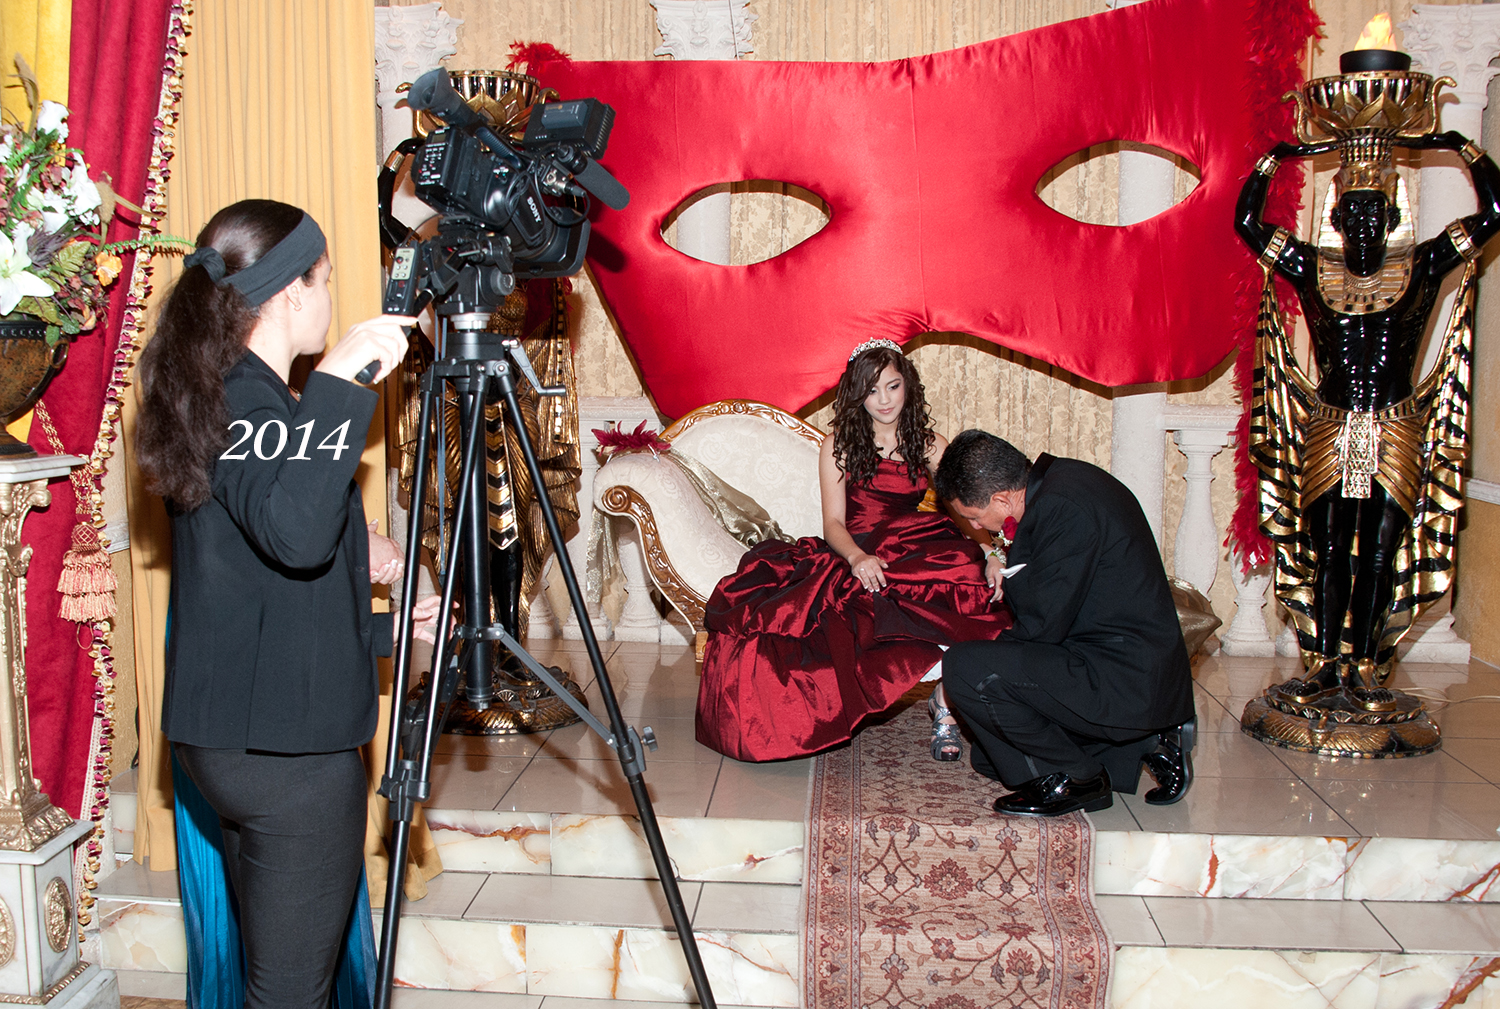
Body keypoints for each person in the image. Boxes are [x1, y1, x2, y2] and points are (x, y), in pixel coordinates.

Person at [135, 199, 441, 1006]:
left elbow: (259, 578)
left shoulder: (226, 392)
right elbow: (296, 537)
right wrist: (340, 384)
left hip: (236, 736)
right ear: (289, 293)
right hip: (287, 762)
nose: (331, 296)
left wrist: (382, 618)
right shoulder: (257, 402)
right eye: (325, 278)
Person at [1235, 130, 1500, 703]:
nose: (1362, 222)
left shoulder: (1423, 264)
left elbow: (1495, 212)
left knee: (1380, 552)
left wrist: (1462, 146)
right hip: (1331, 425)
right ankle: (1326, 662)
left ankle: (1365, 663)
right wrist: (1275, 157)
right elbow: (1248, 224)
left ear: (1390, 216)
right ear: (1335, 218)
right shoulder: (1312, 267)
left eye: (1373, 211)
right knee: (1329, 550)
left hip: (1395, 425)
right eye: (1351, 211)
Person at [695, 339, 1012, 762]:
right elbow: (833, 523)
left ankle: (946, 701)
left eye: (893, 386)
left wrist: (991, 551)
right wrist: (857, 558)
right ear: (857, 394)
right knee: (842, 612)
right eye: (872, 390)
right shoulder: (839, 444)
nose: (884, 400)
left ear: (908, 385)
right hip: (856, 545)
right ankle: (934, 700)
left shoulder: (931, 444)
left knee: (973, 583)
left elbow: (966, 508)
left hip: (915, 540)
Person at [933, 432, 1195, 817]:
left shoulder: (1062, 508)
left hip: (1126, 677)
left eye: (973, 516)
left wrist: (973, 672)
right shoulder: (1066, 479)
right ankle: (1144, 744)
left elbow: (1041, 627)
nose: (976, 525)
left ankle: (1079, 779)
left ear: (1002, 499)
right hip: (1116, 660)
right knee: (991, 757)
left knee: (965, 668)